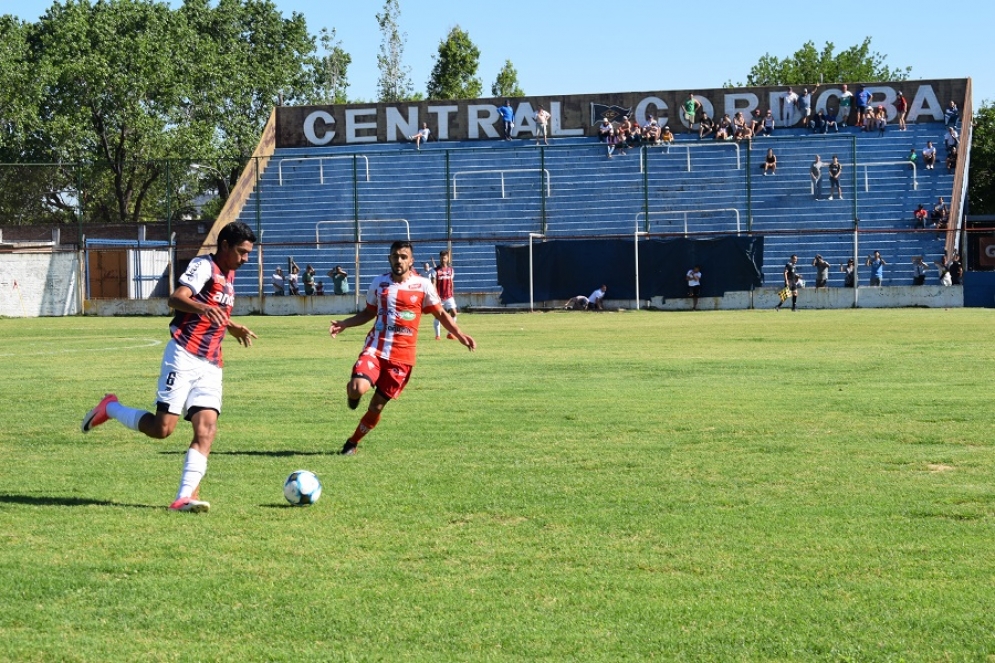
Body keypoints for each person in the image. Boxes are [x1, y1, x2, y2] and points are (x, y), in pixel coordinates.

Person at [80, 221, 258, 513]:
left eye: (248, 253)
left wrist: (232, 326)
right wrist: (202, 308)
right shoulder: (204, 266)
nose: (245, 259)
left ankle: (183, 497)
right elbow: (175, 299)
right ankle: (110, 407)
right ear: (224, 245)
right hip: (184, 354)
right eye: (241, 252)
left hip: (212, 363)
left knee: (207, 429)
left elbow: (215, 311)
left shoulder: (230, 273)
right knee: (163, 429)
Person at [329, 240, 476, 456]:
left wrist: (460, 335)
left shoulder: (424, 285)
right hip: (375, 348)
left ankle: (352, 442)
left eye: (403, 256)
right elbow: (368, 313)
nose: (399, 260)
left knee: (376, 407)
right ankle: (353, 396)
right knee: (356, 388)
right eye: (395, 256)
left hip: (402, 358)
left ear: (411, 260)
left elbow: (441, 314)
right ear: (389, 258)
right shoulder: (379, 283)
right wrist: (344, 324)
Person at [432, 249, 458, 340]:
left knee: (454, 313)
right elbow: (433, 284)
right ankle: (437, 335)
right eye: (442, 257)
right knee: (438, 315)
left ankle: (450, 333)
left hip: (449, 296)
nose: (443, 258)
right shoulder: (435, 270)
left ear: (447, 259)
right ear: (440, 258)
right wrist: (435, 295)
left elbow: (451, 282)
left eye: (445, 257)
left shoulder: (451, 270)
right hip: (439, 296)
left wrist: (452, 293)